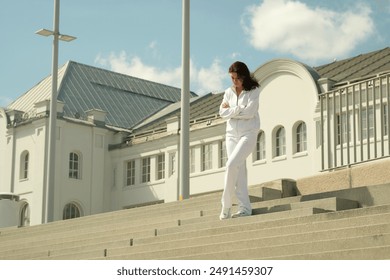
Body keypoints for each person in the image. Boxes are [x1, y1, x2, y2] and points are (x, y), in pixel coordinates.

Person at [218, 61, 261, 220]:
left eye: (236, 78)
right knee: (238, 169)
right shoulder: (228, 92)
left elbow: (250, 113)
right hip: (231, 134)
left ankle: (226, 206)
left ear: (243, 76)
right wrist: (237, 110)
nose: (234, 81)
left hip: (248, 133)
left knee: (231, 164)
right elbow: (221, 112)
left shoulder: (254, 90)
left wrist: (232, 110)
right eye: (231, 78)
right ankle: (245, 208)